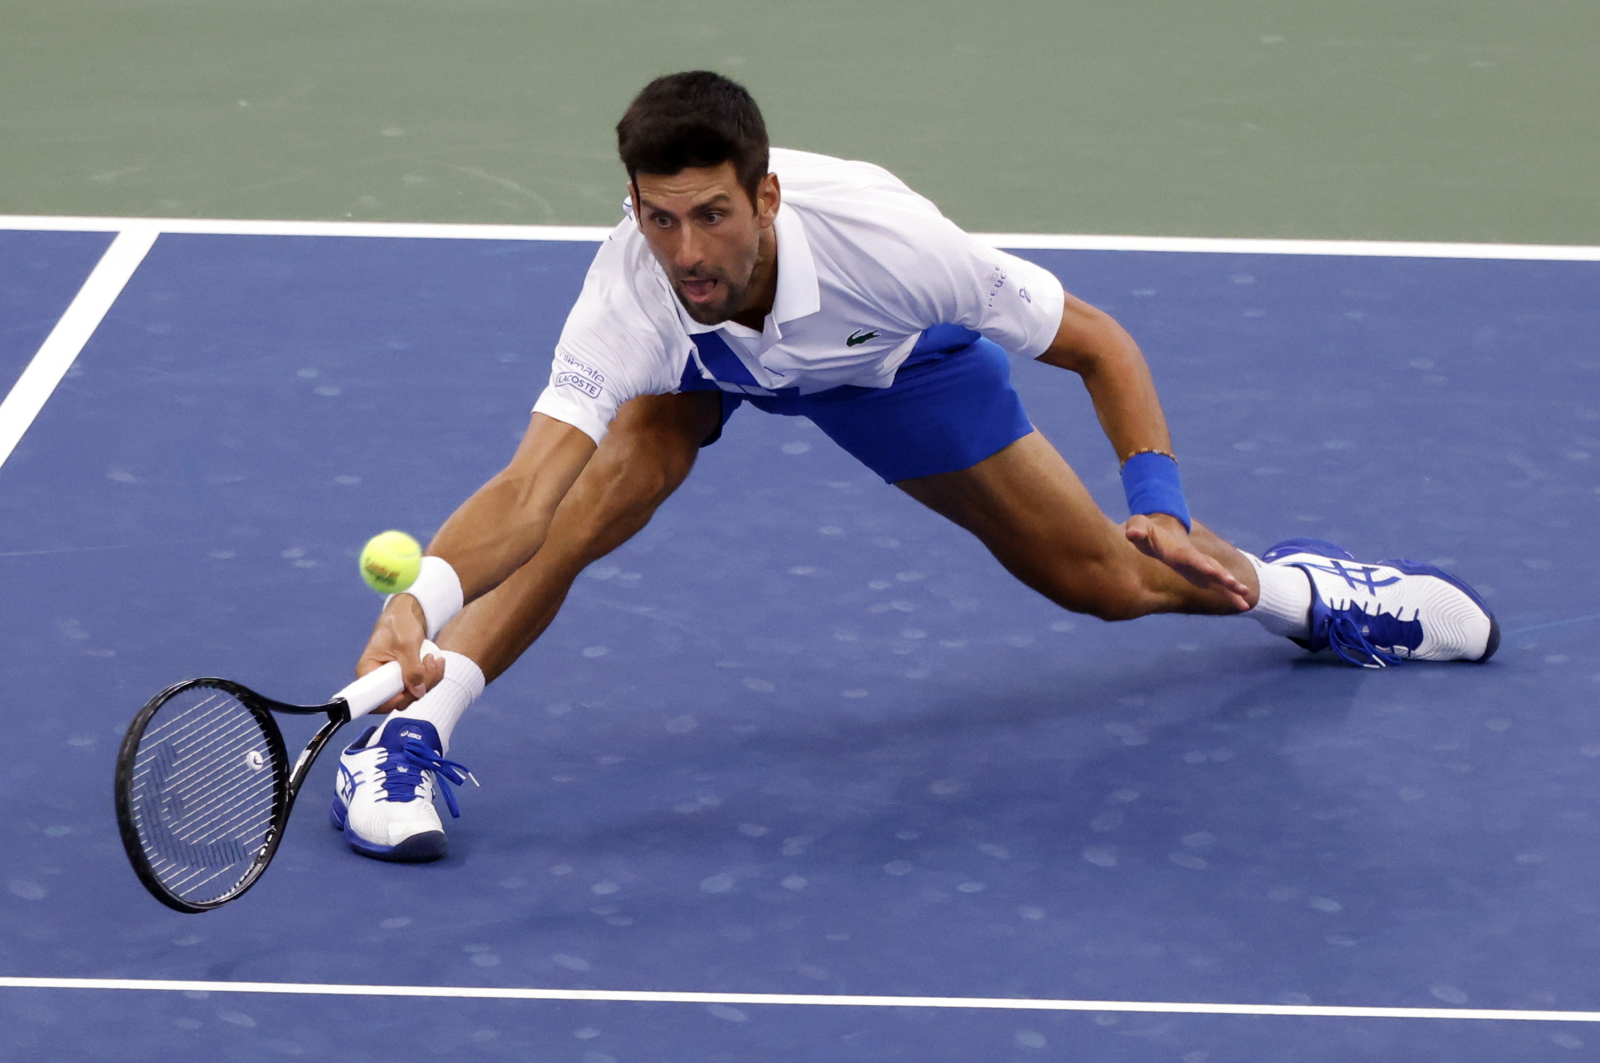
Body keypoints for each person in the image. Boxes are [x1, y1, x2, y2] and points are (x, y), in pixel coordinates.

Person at [329, 71, 1499, 862]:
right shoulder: (634, 293)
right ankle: (409, 731)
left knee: (1101, 582)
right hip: (703, 376)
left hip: (880, 367)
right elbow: (529, 489)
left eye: (712, 216)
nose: (687, 251)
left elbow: (1098, 343)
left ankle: (1311, 594)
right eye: (657, 217)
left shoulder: (894, 244)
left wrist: (1160, 503)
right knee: (592, 500)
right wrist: (420, 602)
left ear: (767, 195)